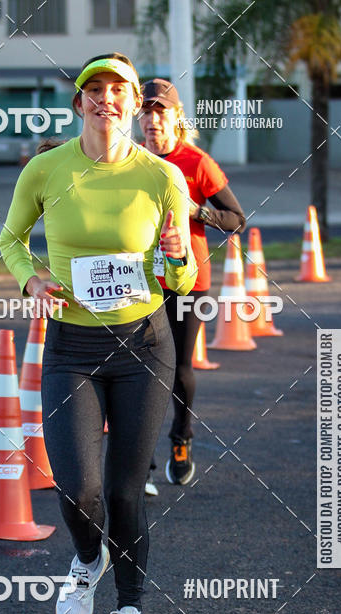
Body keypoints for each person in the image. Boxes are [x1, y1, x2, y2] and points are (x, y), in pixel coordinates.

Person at [0, 53, 196, 614]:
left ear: (135, 103)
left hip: (143, 343)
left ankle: (131, 611)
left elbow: (183, 278)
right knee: (76, 486)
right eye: (95, 90)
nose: (106, 99)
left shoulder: (162, 178)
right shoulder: (46, 169)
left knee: (123, 490)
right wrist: (30, 278)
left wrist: (175, 259)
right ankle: (88, 559)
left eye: (119, 90)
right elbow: (11, 239)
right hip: (71, 347)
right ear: (80, 101)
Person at [139, 79, 246, 485]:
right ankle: (140, 459)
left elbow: (237, 219)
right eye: (146, 112)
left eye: (160, 111)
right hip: (141, 280)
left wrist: (197, 211)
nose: (152, 119)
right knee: (141, 369)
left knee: (179, 367)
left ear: (175, 117)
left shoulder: (197, 162)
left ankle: (181, 438)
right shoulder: (128, 159)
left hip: (190, 281)